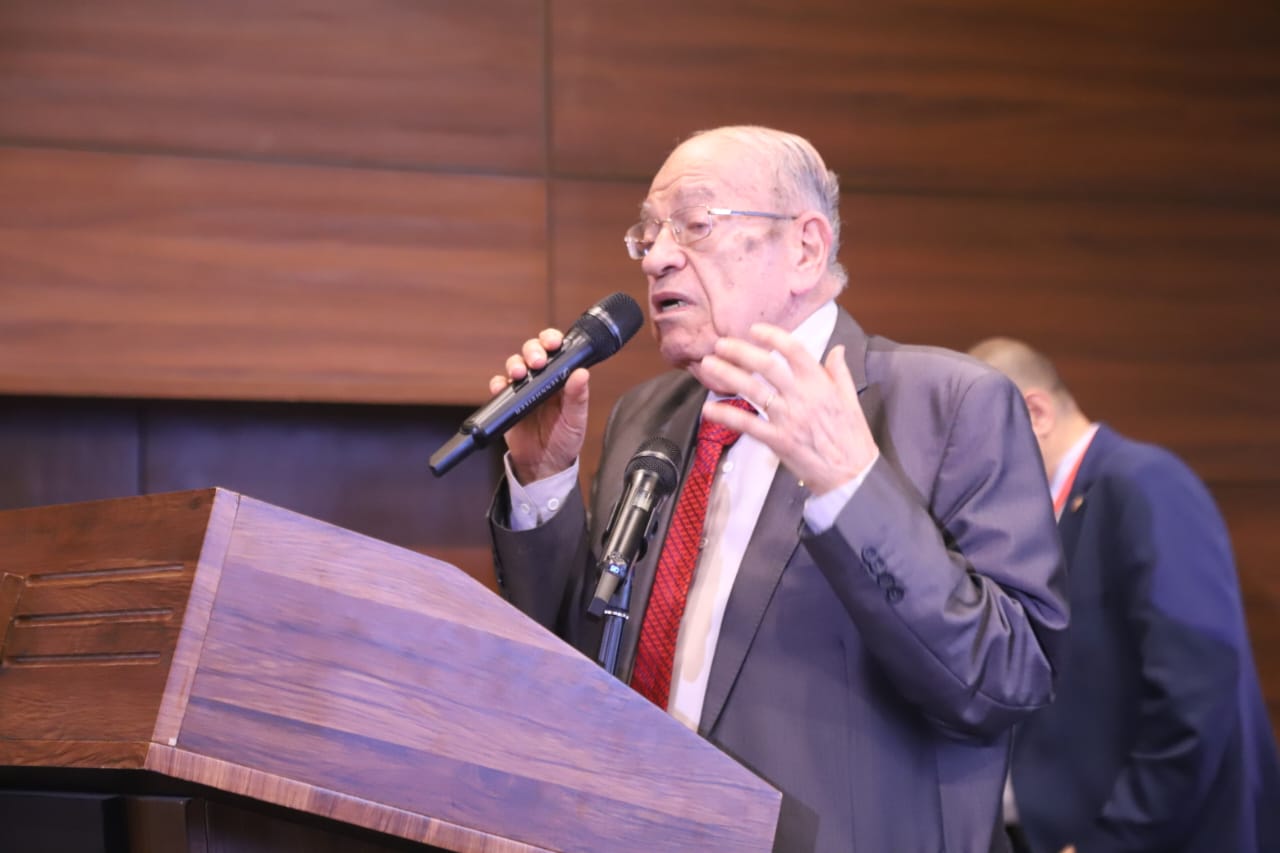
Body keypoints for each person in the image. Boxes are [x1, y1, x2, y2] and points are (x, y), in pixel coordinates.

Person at [486, 125, 1069, 853]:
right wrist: (543, 482)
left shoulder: (950, 405)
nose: (658, 256)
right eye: (649, 234)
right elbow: (587, 662)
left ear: (805, 248)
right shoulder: (647, 415)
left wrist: (852, 489)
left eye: (694, 224)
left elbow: (1008, 680)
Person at [969, 336, 1280, 853]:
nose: (972, 470)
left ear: (1035, 414)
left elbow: (1194, 694)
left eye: (975, 442)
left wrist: (1111, 840)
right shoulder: (1064, 510)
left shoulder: (1145, 483)